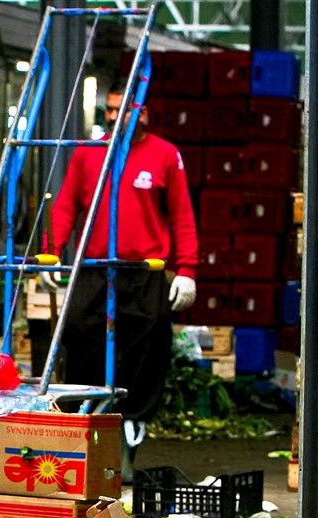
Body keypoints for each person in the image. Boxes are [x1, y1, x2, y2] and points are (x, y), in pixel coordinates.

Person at [38, 80, 198, 472]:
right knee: (79, 332)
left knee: (150, 342)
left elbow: (181, 215)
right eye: (109, 109)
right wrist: (51, 253)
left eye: (121, 109)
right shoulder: (88, 154)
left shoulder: (165, 155)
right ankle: (85, 418)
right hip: (95, 270)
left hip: (144, 271)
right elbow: (65, 207)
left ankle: (131, 428)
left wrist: (188, 270)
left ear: (142, 113)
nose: (112, 116)